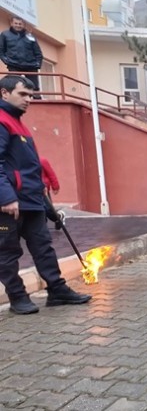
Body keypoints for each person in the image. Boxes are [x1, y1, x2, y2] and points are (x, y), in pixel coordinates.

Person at [0, 75, 91, 315]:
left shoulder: (18, 122)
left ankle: (57, 290)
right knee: (8, 252)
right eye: (23, 94)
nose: (29, 99)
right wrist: (6, 197)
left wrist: (47, 206)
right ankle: (18, 297)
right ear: (4, 93)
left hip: (32, 201)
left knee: (44, 247)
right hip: (10, 204)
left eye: (31, 95)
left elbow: (30, 168)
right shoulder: (2, 121)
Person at [0, 18, 43, 96]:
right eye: (16, 23)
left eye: (20, 24)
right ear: (11, 23)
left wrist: (38, 63)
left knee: (34, 86)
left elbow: (38, 52)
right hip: (14, 64)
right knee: (13, 85)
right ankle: (12, 101)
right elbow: (1, 50)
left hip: (31, 65)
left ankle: (37, 101)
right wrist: (6, 61)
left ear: (24, 25)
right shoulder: (5, 34)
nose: (18, 25)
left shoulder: (30, 36)